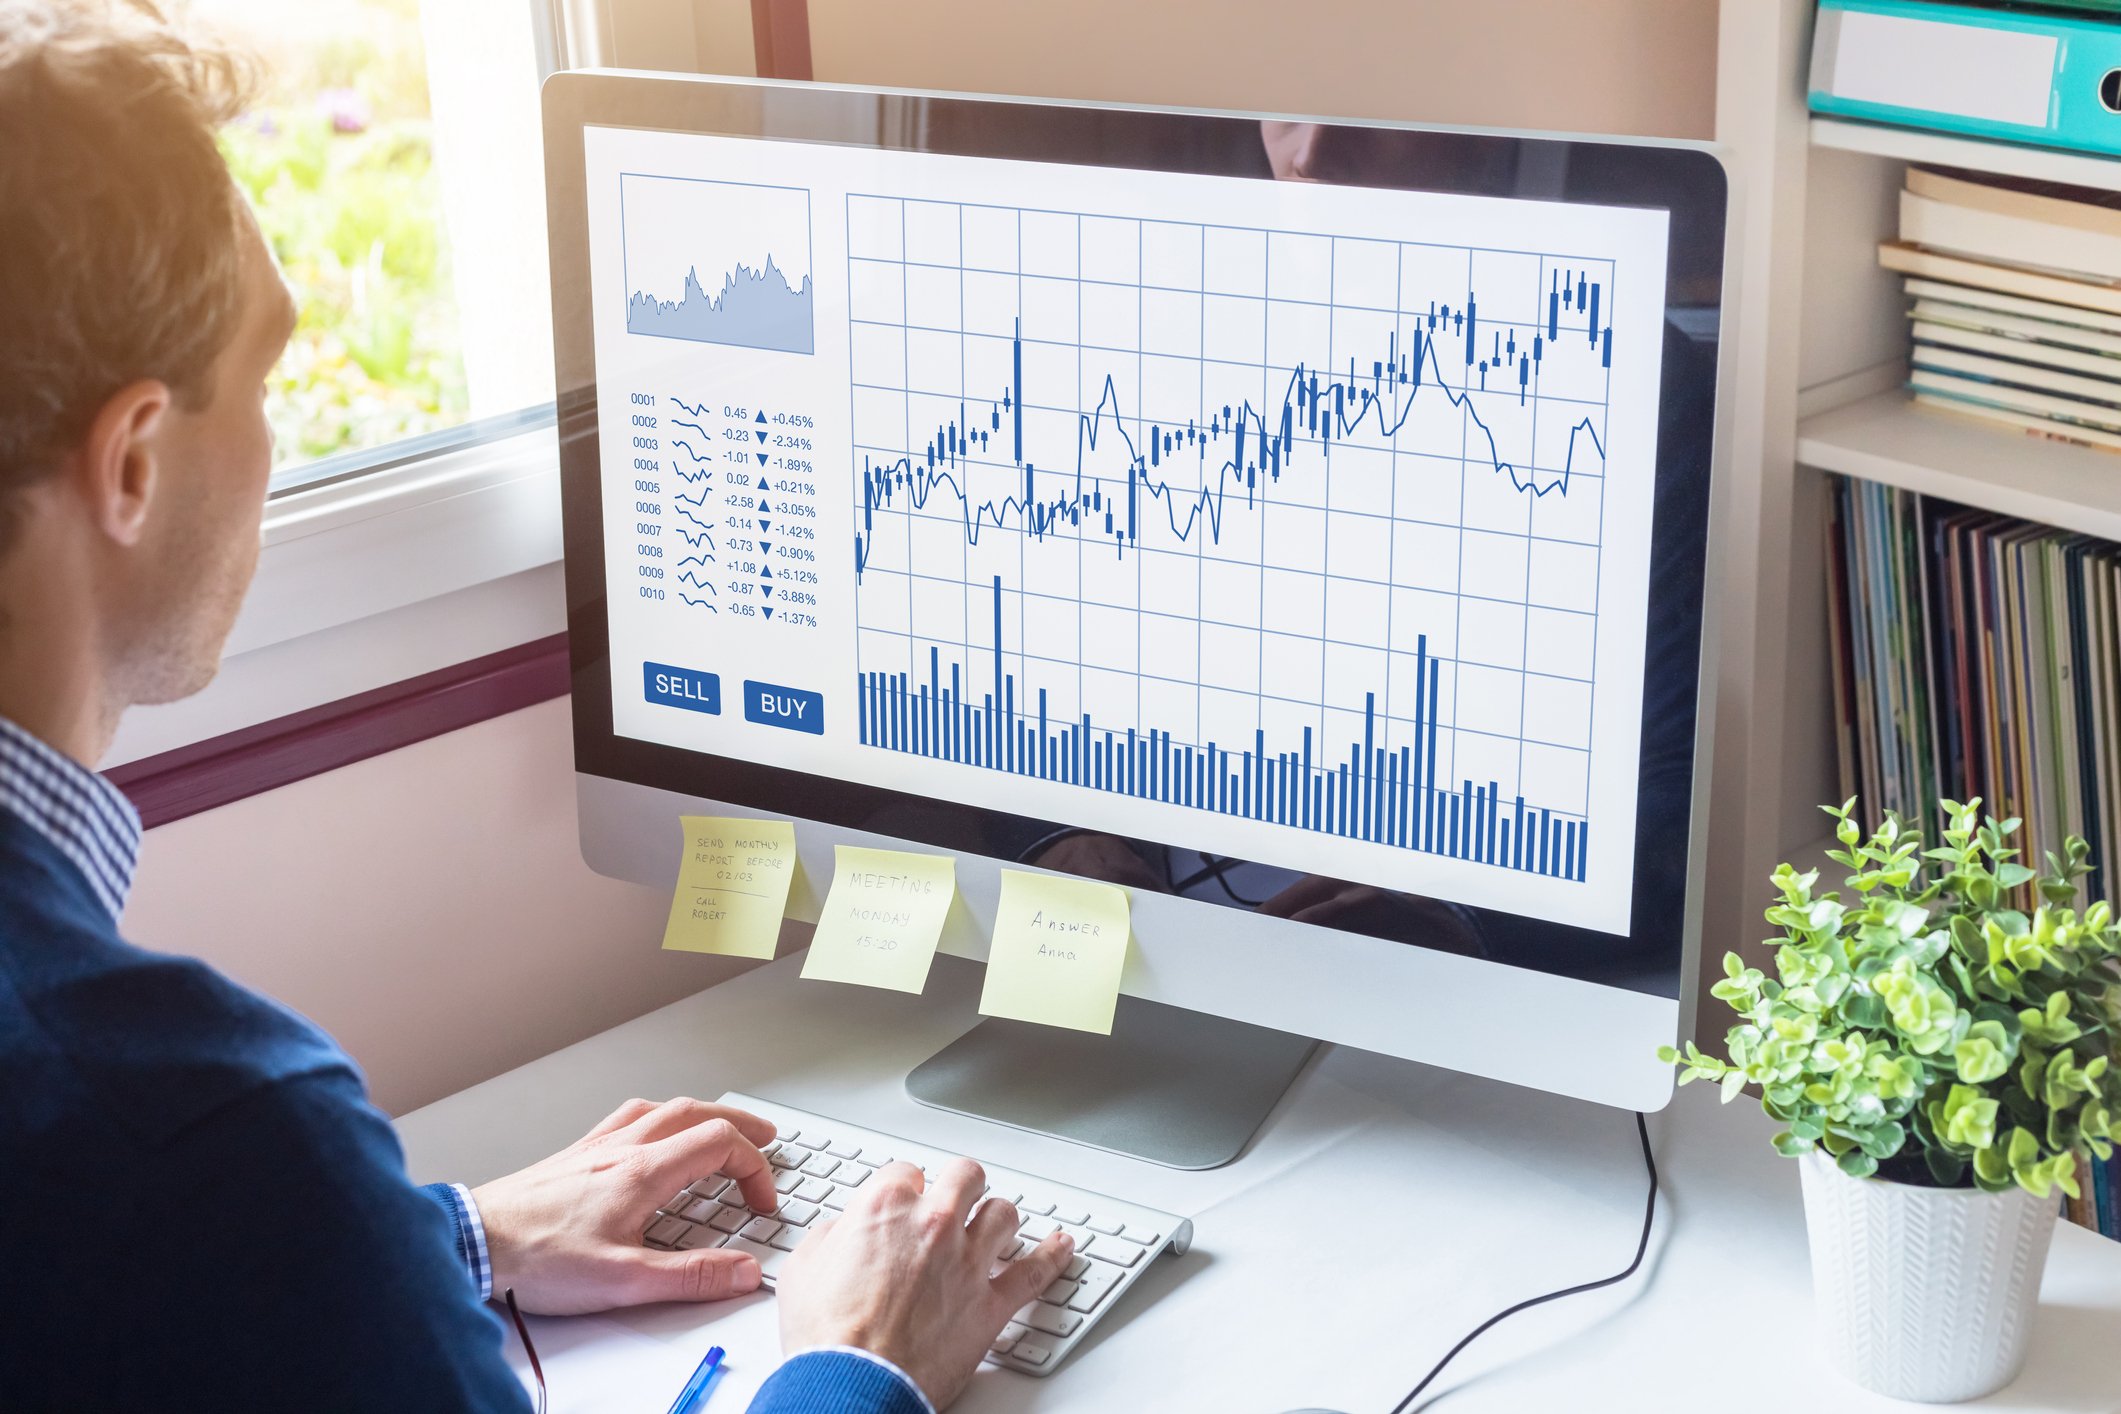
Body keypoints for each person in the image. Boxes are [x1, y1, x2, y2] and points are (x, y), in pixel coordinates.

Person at [0, 3, 1072, 1410]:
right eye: (265, 376)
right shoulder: (205, 1136)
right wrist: (850, 1360)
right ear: (131, 460)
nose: (276, 443)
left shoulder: (192, 1171)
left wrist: (430, 1240)